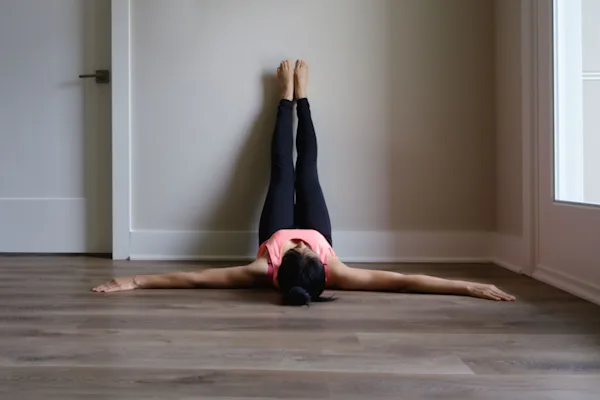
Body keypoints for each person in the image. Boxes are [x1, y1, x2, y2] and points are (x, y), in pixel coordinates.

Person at [93, 60, 516, 305]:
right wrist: (467, 286)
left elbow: (195, 279)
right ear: (323, 267)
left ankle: (283, 98)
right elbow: (404, 280)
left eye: (297, 249)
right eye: (302, 248)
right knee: (308, 168)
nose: (299, 242)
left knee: (282, 168)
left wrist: (136, 280)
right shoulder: (335, 269)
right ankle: (304, 98)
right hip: (322, 228)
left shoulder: (262, 268)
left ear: (277, 268)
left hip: (269, 229)